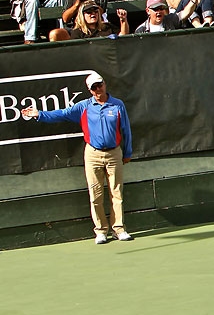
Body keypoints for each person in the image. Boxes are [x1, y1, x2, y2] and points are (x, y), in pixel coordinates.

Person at [21, 72, 134, 244]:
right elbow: (62, 113)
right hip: (92, 154)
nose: (98, 89)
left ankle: (119, 229)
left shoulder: (118, 105)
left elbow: (126, 129)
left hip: (114, 153)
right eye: (94, 88)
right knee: (95, 195)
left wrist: (127, 153)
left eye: (100, 85)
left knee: (116, 193)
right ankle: (101, 231)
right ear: (90, 90)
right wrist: (39, 114)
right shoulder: (84, 107)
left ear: (104, 84)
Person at [134, 0, 201, 33]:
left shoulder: (170, 19)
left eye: (161, 8)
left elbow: (186, 13)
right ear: (148, 11)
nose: (159, 11)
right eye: (155, 9)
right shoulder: (141, 30)